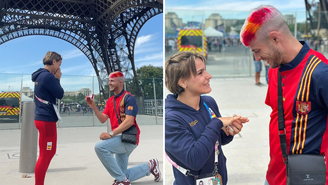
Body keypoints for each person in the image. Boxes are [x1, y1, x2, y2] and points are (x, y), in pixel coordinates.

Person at [240, 5, 328, 185]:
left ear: (274, 37)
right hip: (274, 175)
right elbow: (277, 117)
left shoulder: (320, 73)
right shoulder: (274, 69)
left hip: (309, 178)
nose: (257, 58)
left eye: (257, 50)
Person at [165, 52, 249, 185]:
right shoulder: (170, 119)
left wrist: (228, 131)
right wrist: (217, 123)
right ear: (182, 82)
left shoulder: (208, 103)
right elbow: (195, 159)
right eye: (200, 73)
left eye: (205, 70)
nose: (209, 76)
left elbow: (215, 141)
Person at [85, 71, 161, 185]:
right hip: (119, 138)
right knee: (122, 173)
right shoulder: (110, 101)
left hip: (129, 138)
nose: (109, 83)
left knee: (99, 147)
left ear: (120, 82)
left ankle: (122, 181)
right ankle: (150, 166)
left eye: (112, 81)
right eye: (109, 81)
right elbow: (102, 119)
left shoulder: (129, 98)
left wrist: (111, 134)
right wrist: (94, 107)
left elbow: (129, 121)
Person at [31, 51, 64, 185]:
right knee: (46, 154)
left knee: (49, 151)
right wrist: (58, 78)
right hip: (46, 119)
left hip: (41, 117)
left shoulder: (39, 75)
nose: (59, 68)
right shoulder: (49, 77)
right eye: (59, 64)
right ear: (54, 61)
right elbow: (60, 94)